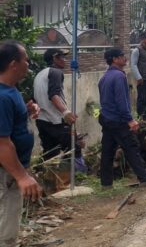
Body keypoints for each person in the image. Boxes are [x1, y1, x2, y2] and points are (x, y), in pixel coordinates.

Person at [98, 47, 146, 188]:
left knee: (107, 151)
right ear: (115, 59)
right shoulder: (119, 76)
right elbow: (122, 101)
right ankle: (145, 179)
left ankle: (106, 183)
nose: (125, 58)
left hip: (107, 119)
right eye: (122, 56)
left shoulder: (104, 77)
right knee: (131, 148)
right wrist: (129, 119)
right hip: (119, 120)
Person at [0, 40, 42, 246]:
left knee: (9, 224)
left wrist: (26, 111)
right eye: (26, 59)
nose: (29, 63)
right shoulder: (2, 97)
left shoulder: (11, 90)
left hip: (10, 173)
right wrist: (21, 176)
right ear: (13, 64)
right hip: (5, 174)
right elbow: (1, 143)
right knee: (5, 232)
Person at [33, 48, 82, 163]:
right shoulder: (56, 72)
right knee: (74, 150)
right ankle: (77, 175)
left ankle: (51, 178)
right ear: (55, 58)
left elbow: (34, 98)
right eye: (62, 57)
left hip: (42, 121)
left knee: (50, 153)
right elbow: (53, 95)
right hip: (56, 121)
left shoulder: (39, 75)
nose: (64, 60)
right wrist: (66, 112)